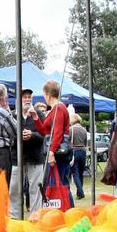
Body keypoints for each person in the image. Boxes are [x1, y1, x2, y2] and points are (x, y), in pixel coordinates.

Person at [28, 80, 73, 208]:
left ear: (48, 93)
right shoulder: (55, 109)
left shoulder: (58, 108)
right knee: (59, 184)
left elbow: (57, 132)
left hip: (58, 153)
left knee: (62, 184)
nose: (44, 97)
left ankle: (69, 211)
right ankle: (65, 210)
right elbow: (45, 132)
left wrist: (52, 152)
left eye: (44, 94)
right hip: (55, 152)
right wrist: (36, 118)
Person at [9, 89, 45, 218]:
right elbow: (7, 136)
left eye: (29, 97)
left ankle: (35, 217)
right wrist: (18, 136)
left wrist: (32, 135)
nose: (27, 99)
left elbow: (44, 135)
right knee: (14, 189)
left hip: (35, 157)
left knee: (36, 188)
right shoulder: (12, 115)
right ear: (18, 100)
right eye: (24, 97)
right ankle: (15, 217)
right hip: (16, 158)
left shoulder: (39, 114)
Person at [69, 113, 88, 200]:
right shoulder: (84, 130)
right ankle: (79, 193)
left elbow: (68, 142)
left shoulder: (70, 129)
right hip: (83, 151)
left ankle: (81, 192)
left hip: (74, 151)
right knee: (80, 173)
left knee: (75, 173)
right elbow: (85, 143)